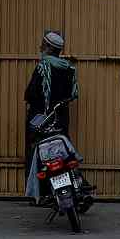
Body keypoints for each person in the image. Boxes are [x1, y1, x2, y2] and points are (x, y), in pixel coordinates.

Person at [23, 30, 78, 196]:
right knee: (63, 154)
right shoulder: (69, 68)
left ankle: (40, 193)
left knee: (38, 153)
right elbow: (73, 94)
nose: (41, 47)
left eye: (43, 44)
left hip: (41, 118)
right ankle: (74, 187)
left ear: (47, 47)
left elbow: (31, 94)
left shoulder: (43, 66)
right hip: (60, 117)